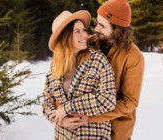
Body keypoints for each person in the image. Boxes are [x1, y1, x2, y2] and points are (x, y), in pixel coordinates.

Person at [61, 0, 145, 140]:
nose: (96, 28)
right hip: (85, 131)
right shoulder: (88, 43)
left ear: (118, 30)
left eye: (102, 25)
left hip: (116, 132)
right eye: (97, 22)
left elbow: (129, 101)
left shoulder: (133, 57)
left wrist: (91, 117)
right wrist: (62, 115)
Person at [42, 10, 117, 139]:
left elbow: (108, 100)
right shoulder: (55, 66)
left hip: (92, 135)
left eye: (84, 30)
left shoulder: (98, 60)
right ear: (64, 37)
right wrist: (59, 119)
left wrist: (67, 108)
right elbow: (47, 100)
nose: (85, 36)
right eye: (77, 31)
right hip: (62, 135)